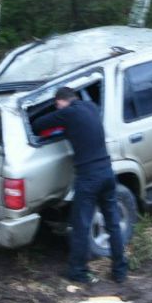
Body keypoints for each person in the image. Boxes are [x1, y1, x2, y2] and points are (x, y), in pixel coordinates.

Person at [32, 87, 128, 284]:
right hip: (107, 172)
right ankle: (120, 271)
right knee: (113, 222)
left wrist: (57, 115)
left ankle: (78, 271)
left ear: (61, 102)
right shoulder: (91, 107)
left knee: (81, 225)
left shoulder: (67, 113)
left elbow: (38, 124)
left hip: (89, 177)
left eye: (57, 105)